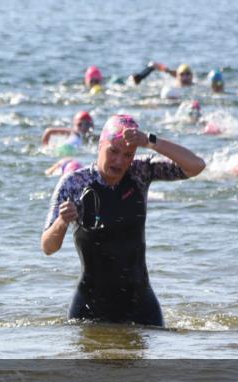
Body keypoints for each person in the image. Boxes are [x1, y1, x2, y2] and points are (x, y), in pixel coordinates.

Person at [41, 114, 205, 327]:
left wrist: (149, 141)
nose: (119, 161)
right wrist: (62, 222)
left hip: (140, 301)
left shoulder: (140, 172)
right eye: (113, 151)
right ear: (100, 146)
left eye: (128, 154)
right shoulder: (74, 183)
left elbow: (196, 166)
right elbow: (48, 247)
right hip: (90, 305)